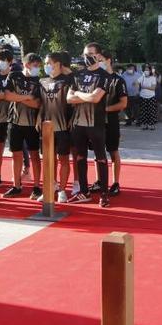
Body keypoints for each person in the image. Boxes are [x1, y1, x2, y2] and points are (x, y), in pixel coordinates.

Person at [66, 43, 110, 206]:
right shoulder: (77, 75)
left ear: (99, 56)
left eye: (90, 54)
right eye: (85, 54)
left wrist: (78, 94)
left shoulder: (104, 76)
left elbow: (95, 98)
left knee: (100, 157)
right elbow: (69, 99)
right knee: (80, 157)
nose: (87, 57)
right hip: (78, 123)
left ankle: (104, 193)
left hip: (96, 123)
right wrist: (83, 95)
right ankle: (84, 191)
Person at [3, 53, 43, 199]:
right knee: (16, 154)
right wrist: (26, 97)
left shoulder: (39, 81)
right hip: (14, 122)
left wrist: (18, 98)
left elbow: (37, 103)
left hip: (32, 123)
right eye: (35, 66)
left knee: (34, 154)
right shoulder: (14, 76)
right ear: (26, 65)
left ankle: (37, 186)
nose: (38, 69)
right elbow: (7, 96)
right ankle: (16, 185)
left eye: (39, 66)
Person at [38, 52, 74, 202]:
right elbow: (40, 103)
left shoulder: (69, 81)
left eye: (49, 63)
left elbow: (73, 103)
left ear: (59, 64)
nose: (47, 66)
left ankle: (62, 190)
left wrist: (71, 120)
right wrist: (39, 117)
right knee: (48, 159)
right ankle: (50, 186)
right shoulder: (42, 81)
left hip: (63, 127)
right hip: (47, 127)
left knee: (63, 159)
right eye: (45, 63)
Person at [101, 51, 128, 195]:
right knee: (98, 153)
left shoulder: (118, 80)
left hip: (111, 121)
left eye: (101, 60)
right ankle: (100, 180)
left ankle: (115, 182)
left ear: (108, 60)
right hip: (96, 122)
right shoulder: (97, 78)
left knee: (113, 152)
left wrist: (105, 109)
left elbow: (123, 103)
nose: (99, 63)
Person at [0, 46, 15, 186]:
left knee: (16, 150)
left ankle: (20, 176)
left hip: (12, 117)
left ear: (10, 61)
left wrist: (4, 96)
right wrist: (4, 95)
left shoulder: (15, 75)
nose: (1, 62)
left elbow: (14, 95)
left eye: (4, 60)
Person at [137, 64, 159, 130]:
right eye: (145, 70)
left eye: (147, 70)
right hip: (142, 96)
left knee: (151, 111)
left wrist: (144, 87)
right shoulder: (142, 77)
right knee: (143, 111)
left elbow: (153, 88)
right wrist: (138, 88)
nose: (146, 71)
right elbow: (136, 82)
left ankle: (152, 125)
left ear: (150, 71)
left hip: (151, 96)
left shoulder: (153, 78)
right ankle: (145, 124)